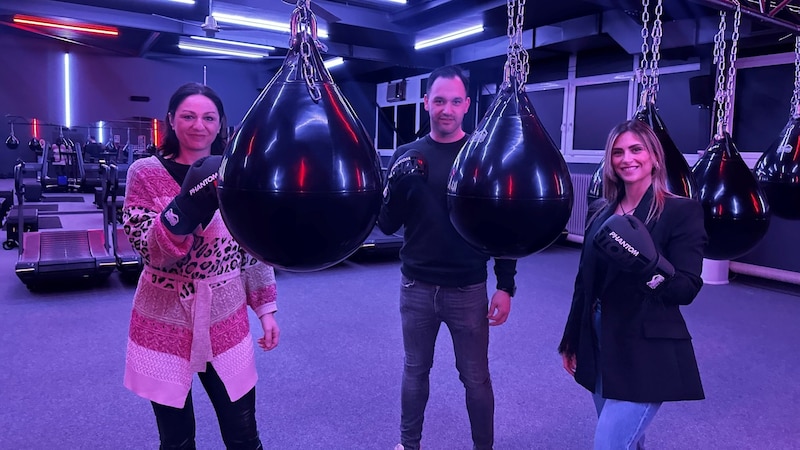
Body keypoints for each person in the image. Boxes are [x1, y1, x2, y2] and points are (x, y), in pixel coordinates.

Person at [122, 82, 279, 449]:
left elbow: (250, 246)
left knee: (243, 431)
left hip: (225, 312)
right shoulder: (144, 173)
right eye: (188, 116)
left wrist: (266, 310)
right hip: (164, 313)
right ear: (171, 121)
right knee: (176, 439)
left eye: (209, 117)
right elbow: (149, 249)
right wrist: (187, 207)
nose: (199, 125)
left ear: (220, 124)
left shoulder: (236, 173)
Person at [377, 65, 517, 450]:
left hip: (468, 288)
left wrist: (506, 285)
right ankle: (409, 444)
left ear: (467, 105)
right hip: (416, 285)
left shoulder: (482, 154)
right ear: (426, 103)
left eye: (455, 101)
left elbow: (502, 225)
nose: (446, 109)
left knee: (475, 377)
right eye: (439, 100)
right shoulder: (407, 155)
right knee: (414, 371)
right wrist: (396, 185)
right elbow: (387, 224)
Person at [558, 119, 707, 449]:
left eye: (636, 149)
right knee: (629, 441)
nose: (627, 158)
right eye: (618, 152)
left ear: (654, 157)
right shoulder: (600, 211)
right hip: (600, 335)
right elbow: (585, 281)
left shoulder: (681, 212)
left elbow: (687, 288)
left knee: (609, 444)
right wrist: (571, 338)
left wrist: (648, 266)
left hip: (645, 347)